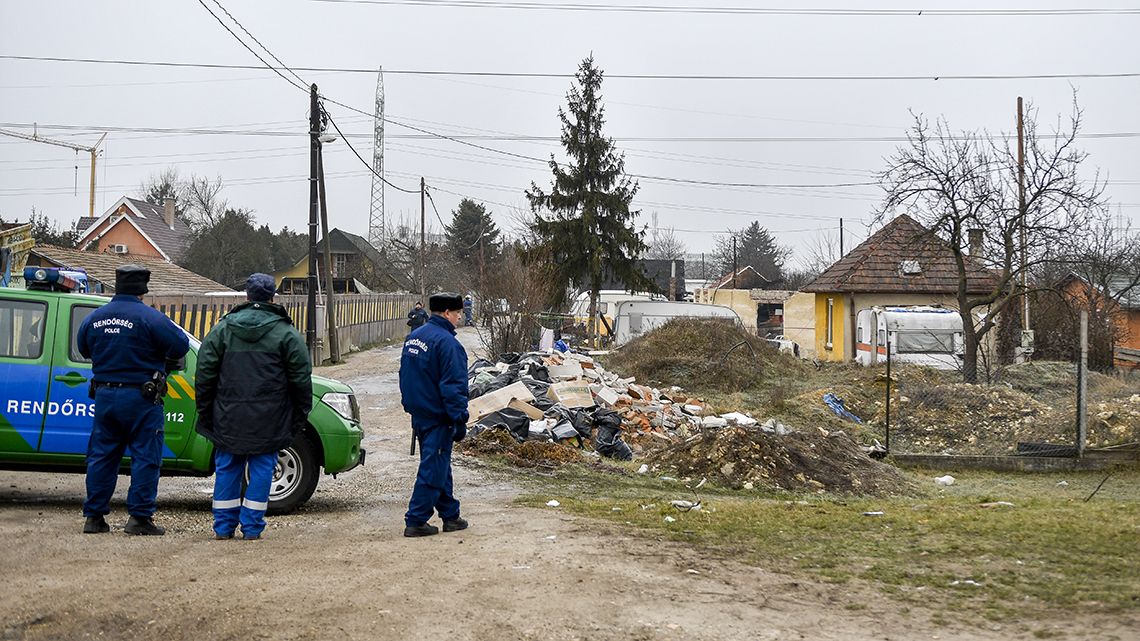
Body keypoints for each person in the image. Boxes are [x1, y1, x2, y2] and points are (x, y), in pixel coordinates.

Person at [194, 273, 312, 541]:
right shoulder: (286, 333)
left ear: (246, 296)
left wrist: (206, 411)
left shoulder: (222, 330)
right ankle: (252, 527)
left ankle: (223, 528)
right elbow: (301, 379)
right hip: (269, 417)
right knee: (261, 469)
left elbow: (204, 373)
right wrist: (299, 414)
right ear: (273, 297)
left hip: (228, 415)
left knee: (227, 468)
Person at [77, 265, 190, 535]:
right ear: (143, 290)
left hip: (104, 396)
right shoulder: (150, 318)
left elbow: (83, 348)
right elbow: (180, 345)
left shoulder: (95, 318)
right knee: (145, 457)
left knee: (101, 457)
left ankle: (94, 518)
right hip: (141, 398)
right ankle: (139, 519)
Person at [399, 292, 469, 537]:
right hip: (439, 416)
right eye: (458, 312)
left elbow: (404, 376)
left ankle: (450, 515)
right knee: (433, 467)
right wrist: (459, 419)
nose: (460, 317)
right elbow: (454, 388)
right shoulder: (449, 345)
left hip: (420, 414)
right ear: (447, 313)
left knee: (438, 464)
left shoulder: (414, 338)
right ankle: (416, 519)